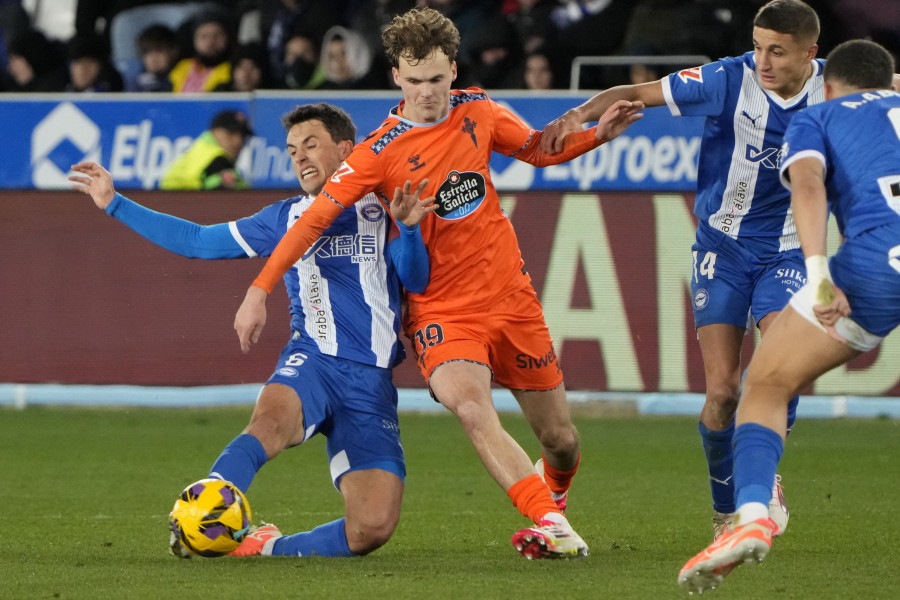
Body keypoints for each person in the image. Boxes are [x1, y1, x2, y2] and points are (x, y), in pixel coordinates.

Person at [233, 6, 644, 559]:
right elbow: (311, 221)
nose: (426, 92)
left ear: (452, 69)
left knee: (561, 441)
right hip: (441, 310)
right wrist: (260, 289)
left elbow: (535, 149)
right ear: (396, 78)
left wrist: (597, 135)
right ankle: (551, 525)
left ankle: (554, 501)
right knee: (474, 409)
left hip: (510, 298)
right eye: (414, 80)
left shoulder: (479, 111)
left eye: (435, 79)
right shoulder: (377, 152)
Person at [68, 102, 435, 559]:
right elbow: (198, 241)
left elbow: (416, 280)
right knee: (270, 423)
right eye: (291, 149)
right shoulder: (284, 217)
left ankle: (264, 547)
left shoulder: (384, 208)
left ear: (346, 148)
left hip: (372, 382)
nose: (299, 157)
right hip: (313, 361)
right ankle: (200, 517)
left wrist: (411, 230)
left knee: (372, 528)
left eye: (311, 145)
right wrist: (114, 203)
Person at [542, 0, 829, 541]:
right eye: (758, 45)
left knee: (779, 370)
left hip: (789, 252)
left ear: (809, 54)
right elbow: (637, 93)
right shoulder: (726, 78)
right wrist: (574, 115)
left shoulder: (836, 87)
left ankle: (762, 478)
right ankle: (728, 513)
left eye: (777, 51)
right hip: (722, 248)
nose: (762, 60)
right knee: (722, 391)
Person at [678, 38, 900, 594]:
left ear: (827, 84)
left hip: (878, 265)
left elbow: (806, 186)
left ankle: (750, 516)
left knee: (767, 384)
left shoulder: (817, 116)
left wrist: (820, 273)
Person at [159, 109, 253, 191]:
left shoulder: (197, 151)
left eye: (243, 136)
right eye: (231, 132)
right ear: (214, 132)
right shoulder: (218, 159)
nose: (238, 141)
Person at [169, 10, 235, 93]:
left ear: (228, 38)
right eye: (204, 36)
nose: (210, 42)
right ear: (194, 40)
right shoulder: (182, 67)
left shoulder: (235, 70)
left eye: (217, 35)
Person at [133, 24, 179, 92]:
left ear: (173, 51)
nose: (153, 58)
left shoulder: (182, 77)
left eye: (158, 51)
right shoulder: (137, 83)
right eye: (147, 52)